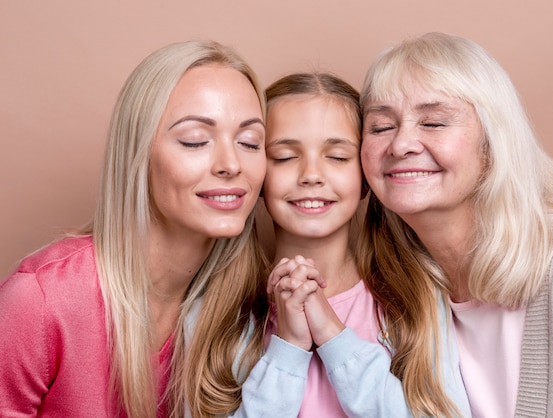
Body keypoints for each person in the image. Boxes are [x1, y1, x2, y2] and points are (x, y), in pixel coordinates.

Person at [358, 31, 553, 417]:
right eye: (381, 127)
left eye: (433, 123)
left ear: (492, 143)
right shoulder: (394, 284)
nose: (401, 145)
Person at [0, 40, 268, 418]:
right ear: (137, 154)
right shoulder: (39, 301)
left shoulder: (246, 308)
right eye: (195, 141)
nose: (231, 164)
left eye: (249, 142)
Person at [237, 72, 469, 417]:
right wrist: (287, 348)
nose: (311, 175)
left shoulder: (414, 298)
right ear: (256, 175)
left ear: (365, 178)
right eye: (285, 157)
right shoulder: (222, 311)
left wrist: (334, 337)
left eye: (338, 157)